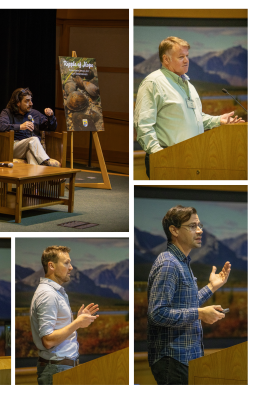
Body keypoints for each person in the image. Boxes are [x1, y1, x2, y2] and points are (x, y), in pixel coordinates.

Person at [134, 37, 245, 179]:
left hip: (193, 157)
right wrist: (160, 155)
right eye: (181, 57)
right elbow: (143, 124)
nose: (186, 60)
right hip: (167, 157)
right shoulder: (153, 83)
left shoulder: (188, 85)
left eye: (187, 56)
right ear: (166, 59)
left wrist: (218, 120)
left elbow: (194, 117)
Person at [147, 205, 231, 385]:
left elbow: (185, 304)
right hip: (173, 359)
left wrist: (211, 287)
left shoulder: (181, 262)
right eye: (193, 226)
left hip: (184, 358)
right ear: (174, 230)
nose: (200, 230)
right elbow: (157, 313)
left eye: (199, 225)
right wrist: (200, 313)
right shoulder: (169, 264)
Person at [30, 245, 99, 385]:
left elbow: (56, 332)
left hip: (60, 367)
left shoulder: (55, 291)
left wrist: (77, 321)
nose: (71, 267)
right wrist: (77, 323)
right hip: (56, 368)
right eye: (66, 263)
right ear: (51, 266)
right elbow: (48, 341)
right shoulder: (48, 294)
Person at [0, 87, 57, 165]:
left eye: (31, 100)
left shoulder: (35, 114)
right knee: (34, 140)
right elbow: (0, 126)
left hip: (31, 148)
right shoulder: (7, 113)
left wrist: (51, 117)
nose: (31, 103)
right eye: (27, 101)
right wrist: (20, 126)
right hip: (14, 148)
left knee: (31, 153)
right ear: (18, 103)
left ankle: (35, 175)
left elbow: (51, 128)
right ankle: (46, 163)